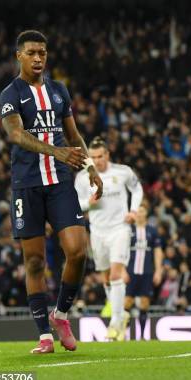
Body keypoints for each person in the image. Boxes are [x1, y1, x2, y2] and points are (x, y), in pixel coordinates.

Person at [0, 30, 103, 354]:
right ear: (19, 55)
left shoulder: (59, 91)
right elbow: (16, 134)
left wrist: (89, 168)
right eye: (31, 53)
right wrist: (56, 152)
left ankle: (61, 314)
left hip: (59, 183)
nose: (38, 58)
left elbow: (73, 134)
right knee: (33, 262)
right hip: (27, 185)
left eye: (42, 52)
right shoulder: (10, 94)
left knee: (77, 250)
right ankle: (44, 335)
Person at [74, 137, 143, 341]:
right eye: (93, 157)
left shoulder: (123, 171)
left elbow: (137, 189)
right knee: (105, 278)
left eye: (100, 156)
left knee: (115, 275)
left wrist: (133, 211)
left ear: (107, 155)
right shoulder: (82, 177)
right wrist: (89, 201)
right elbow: (76, 203)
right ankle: (121, 314)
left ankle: (115, 321)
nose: (97, 160)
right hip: (97, 232)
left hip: (120, 229)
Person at [124, 204, 164, 340]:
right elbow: (122, 251)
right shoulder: (128, 230)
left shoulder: (152, 231)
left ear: (146, 213)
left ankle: (141, 336)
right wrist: (122, 270)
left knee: (145, 303)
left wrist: (158, 271)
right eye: (138, 211)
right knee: (127, 302)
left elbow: (158, 252)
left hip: (147, 271)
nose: (140, 213)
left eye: (142, 211)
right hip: (130, 271)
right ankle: (124, 334)